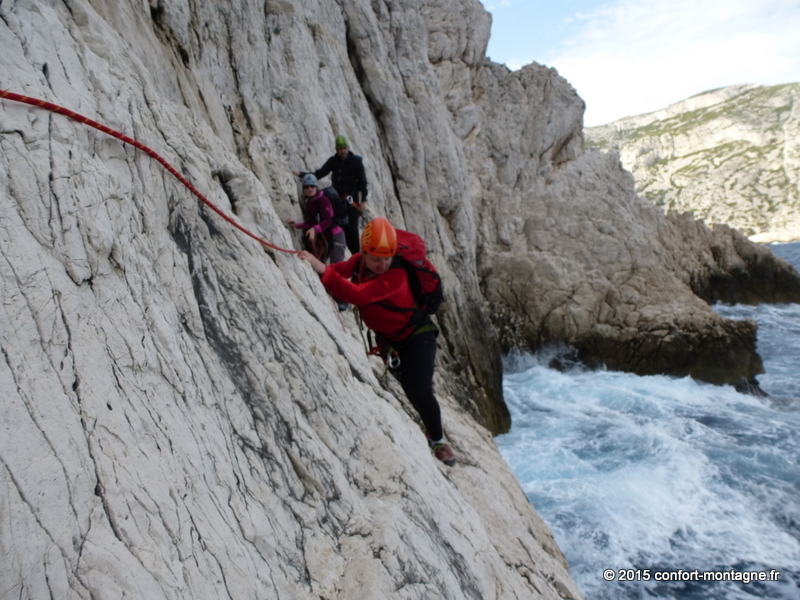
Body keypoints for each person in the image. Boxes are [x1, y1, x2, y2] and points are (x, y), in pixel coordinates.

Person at [298, 217, 456, 466]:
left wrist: (322, 269)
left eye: (387, 258)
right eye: (376, 258)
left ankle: (438, 440)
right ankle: (428, 426)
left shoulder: (398, 276)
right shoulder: (360, 263)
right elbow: (340, 271)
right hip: (391, 340)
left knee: (421, 390)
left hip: (417, 336)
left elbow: (357, 295)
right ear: (364, 253)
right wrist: (316, 267)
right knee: (407, 386)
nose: (382, 264)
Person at [293, 135, 368, 255]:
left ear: (348, 147)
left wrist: (363, 199)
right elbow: (320, 173)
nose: (343, 151)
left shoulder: (356, 161)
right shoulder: (333, 161)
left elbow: (362, 181)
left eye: (344, 148)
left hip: (350, 198)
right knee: (333, 221)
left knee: (352, 226)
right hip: (337, 197)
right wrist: (303, 174)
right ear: (336, 149)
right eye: (340, 149)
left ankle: (355, 255)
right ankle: (331, 246)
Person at [287, 172, 347, 271]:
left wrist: (315, 229)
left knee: (336, 269)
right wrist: (297, 225)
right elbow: (312, 222)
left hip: (336, 237)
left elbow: (328, 221)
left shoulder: (323, 200)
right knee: (322, 267)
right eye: (306, 187)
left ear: (316, 187)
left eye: (312, 186)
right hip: (326, 238)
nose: (309, 189)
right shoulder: (310, 203)